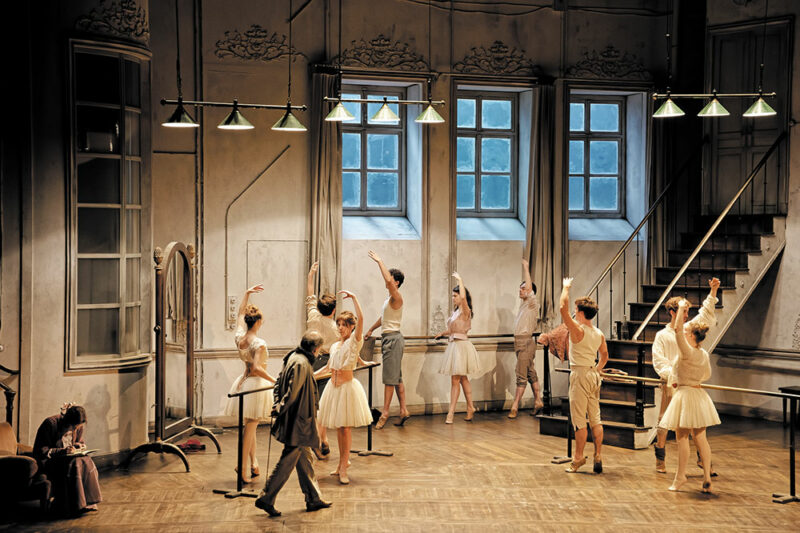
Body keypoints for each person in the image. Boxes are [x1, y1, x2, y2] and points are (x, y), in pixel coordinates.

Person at [255, 331, 332, 517]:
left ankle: (313, 498)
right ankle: (266, 497)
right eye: (319, 349)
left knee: (305, 459)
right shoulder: (302, 364)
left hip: (298, 420)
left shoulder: (293, 357)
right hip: (299, 421)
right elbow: (292, 391)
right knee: (288, 460)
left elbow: (279, 381)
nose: (319, 353)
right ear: (314, 349)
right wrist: (279, 406)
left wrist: (277, 403)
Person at [651, 278, 720, 474]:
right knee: (665, 420)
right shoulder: (662, 336)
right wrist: (673, 378)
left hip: (688, 383)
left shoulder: (688, 330)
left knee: (696, 422)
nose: (687, 315)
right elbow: (659, 362)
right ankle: (660, 458)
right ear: (673, 312)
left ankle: (703, 461)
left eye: (688, 312)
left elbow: (705, 314)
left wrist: (713, 291)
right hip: (671, 383)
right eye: (683, 311)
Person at [315, 290, 373, 485]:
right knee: (338, 428)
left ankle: (343, 467)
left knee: (345, 428)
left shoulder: (354, 342)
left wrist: (355, 299)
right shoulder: (334, 346)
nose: (340, 328)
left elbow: (362, 320)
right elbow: (329, 365)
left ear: (351, 327)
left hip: (347, 388)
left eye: (343, 325)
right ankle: (342, 463)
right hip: (334, 388)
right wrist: (312, 374)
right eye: (338, 324)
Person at [225, 284, 275, 483]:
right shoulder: (259, 343)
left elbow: (238, 315)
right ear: (259, 322)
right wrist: (275, 380)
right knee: (250, 428)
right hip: (255, 385)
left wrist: (246, 294)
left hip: (244, 383)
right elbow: (256, 368)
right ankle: (242, 466)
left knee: (250, 426)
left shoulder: (240, 338)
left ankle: (254, 463)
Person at [559, 277, 608, 474]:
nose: (574, 312)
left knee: (579, 420)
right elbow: (604, 356)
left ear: (580, 312)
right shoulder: (598, 333)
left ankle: (578, 458)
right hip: (593, 375)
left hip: (580, 375)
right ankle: (598, 454)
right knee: (595, 418)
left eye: (576, 310)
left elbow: (562, 308)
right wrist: (596, 369)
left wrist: (566, 288)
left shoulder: (578, 330)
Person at [364, 251, 409, 429]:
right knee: (396, 378)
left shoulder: (397, 297)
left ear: (396, 282)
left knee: (389, 379)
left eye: (390, 278)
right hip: (389, 338)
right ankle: (404, 410)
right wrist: (371, 329)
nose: (387, 281)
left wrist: (379, 261)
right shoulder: (389, 300)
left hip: (393, 340)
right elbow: (384, 318)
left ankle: (385, 413)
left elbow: (389, 281)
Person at [33, 404, 102, 515]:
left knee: (86, 460)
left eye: (78, 427)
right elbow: (41, 450)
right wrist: (62, 451)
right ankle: (73, 504)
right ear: (68, 421)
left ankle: (88, 502)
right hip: (50, 461)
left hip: (68, 458)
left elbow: (79, 441)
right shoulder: (50, 424)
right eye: (74, 426)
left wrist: (80, 446)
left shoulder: (78, 427)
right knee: (75, 463)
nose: (76, 429)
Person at [305, 261, 339, 458]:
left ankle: (319, 439)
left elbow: (310, 296)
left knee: (312, 403)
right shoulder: (335, 329)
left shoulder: (312, 316)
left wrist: (311, 275)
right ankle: (320, 439)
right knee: (323, 405)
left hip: (309, 360)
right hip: (325, 363)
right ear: (333, 310)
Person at [436, 272, 480, 424]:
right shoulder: (455, 312)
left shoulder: (465, 310)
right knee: (462, 379)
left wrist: (460, 280)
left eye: (455, 296)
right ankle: (470, 407)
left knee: (456, 380)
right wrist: (442, 333)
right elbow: (453, 329)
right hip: (454, 345)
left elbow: (463, 298)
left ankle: (451, 413)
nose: (453, 298)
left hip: (461, 347)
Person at [508, 258, 542, 419]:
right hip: (519, 342)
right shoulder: (524, 305)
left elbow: (529, 287)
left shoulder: (532, 303)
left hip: (526, 343)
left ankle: (515, 406)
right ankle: (538, 401)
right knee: (530, 372)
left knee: (521, 374)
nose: (520, 291)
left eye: (523, 289)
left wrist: (526, 268)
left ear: (529, 291)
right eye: (520, 288)